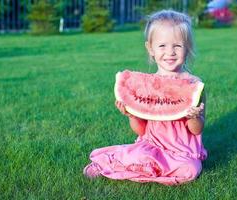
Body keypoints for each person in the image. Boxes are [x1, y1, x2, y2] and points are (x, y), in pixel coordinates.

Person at [83, 9, 207, 186]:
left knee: (191, 169)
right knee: (141, 155)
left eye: (177, 46)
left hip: (182, 153)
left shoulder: (194, 85)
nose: (170, 52)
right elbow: (141, 131)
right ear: (150, 49)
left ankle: (139, 169)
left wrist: (195, 117)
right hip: (151, 146)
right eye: (162, 46)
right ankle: (109, 163)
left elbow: (196, 130)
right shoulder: (145, 86)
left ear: (187, 49)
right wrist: (132, 114)